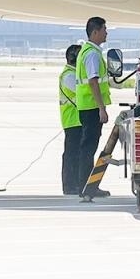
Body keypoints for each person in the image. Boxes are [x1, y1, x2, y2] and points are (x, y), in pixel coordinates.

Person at [75, 17, 111, 197]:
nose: (106, 33)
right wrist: (101, 108)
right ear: (95, 32)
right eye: (104, 29)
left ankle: (86, 186)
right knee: (89, 149)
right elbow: (93, 81)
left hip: (87, 107)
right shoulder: (92, 54)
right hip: (91, 108)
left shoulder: (87, 51)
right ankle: (87, 187)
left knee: (87, 148)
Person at [59, 44, 82, 195]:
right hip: (73, 120)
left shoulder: (73, 74)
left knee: (76, 154)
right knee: (71, 154)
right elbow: (82, 92)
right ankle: (69, 185)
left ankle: (76, 183)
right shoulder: (69, 76)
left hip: (77, 120)